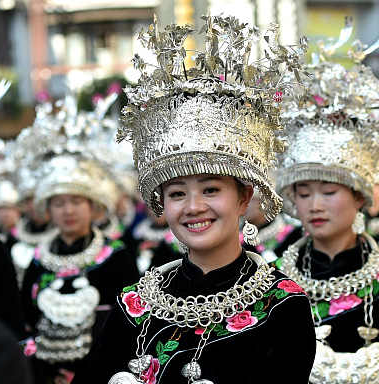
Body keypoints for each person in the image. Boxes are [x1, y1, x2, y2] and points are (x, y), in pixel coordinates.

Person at [72, 15, 316, 384]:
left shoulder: (282, 307)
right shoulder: (133, 303)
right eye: (176, 193)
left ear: (243, 197)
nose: (193, 206)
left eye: (211, 189)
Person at [274, 54, 379, 383]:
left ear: (359, 196)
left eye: (329, 192)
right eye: (303, 194)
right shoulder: (273, 280)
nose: (314, 206)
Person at [20, 101, 140, 384]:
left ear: (94, 206)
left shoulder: (116, 256)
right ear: (48, 209)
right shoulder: (37, 258)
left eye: (76, 201)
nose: (68, 211)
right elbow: (25, 320)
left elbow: (128, 326)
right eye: (59, 203)